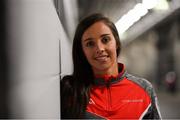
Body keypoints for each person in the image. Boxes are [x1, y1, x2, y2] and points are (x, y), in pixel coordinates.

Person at [61, 13, 161, 119]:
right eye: (90, 44)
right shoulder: (70, 91)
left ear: (116, 42)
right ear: (82, 51)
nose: (99, 49)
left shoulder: (144, 89)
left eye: (105, 40)